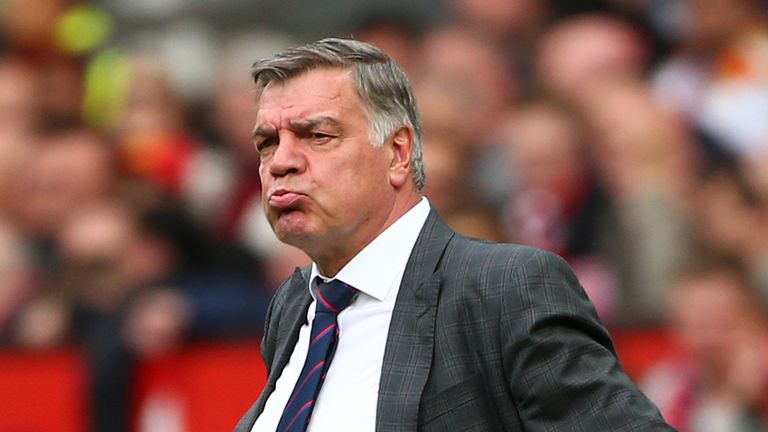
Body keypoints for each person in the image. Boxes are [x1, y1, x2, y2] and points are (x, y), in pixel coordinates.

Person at [235, 38, 672, 432]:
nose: (280, 162)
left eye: (318, 135)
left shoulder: (503, 288)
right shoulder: (295, 305)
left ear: (398, 153)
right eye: (267, 143)